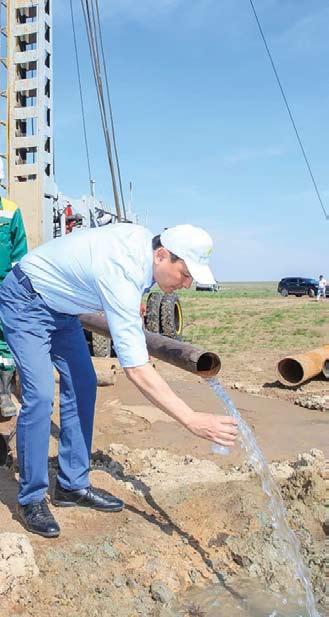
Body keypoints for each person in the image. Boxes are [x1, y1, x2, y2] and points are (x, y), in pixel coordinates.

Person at [0, 223, 238, 538]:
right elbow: (136, 369)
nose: (187, 283)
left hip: (64, 310)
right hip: (26, 300)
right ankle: (31, 498)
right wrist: (192, 419)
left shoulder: (141, 249)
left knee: (84, 385)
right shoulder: (122, 270)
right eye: (184, 274)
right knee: (41, 395)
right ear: (162, 255)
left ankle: (72, 485)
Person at [0, 196, 27, 418]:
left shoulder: (10, 210)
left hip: (4, 287)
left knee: (5, 339)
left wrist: (17, 290)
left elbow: (19, 255)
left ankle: (3, 393)